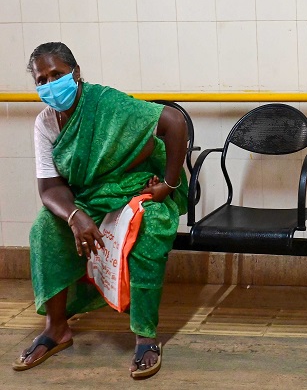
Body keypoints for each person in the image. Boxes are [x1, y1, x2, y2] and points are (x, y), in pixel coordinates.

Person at [13, 42, 189, 380]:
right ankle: (56, 328)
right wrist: (74, 216)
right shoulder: (46, 123)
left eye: (57, 75)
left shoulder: (106, 104)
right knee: (43, 228)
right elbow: (49, 189)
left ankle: (145, 335)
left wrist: (168, 184)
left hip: (134, 187)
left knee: (149, 227)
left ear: (76, 74)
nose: (50, 84)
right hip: (88, 197)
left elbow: (174, 121)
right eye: (42, 79)